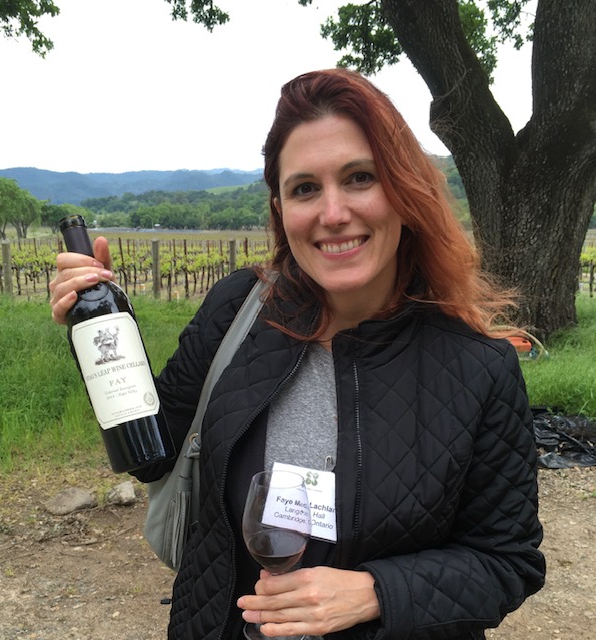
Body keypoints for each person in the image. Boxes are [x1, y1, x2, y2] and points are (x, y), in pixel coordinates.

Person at [49, 68, 545, 640]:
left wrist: (377, 593)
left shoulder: (477, 369)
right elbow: (153, 456)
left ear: (406, 191)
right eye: (305, 188)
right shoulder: (239, 309)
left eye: (360, 177)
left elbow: (508, 562)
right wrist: (103, 336)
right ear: (281, 208)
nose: (332, 213)